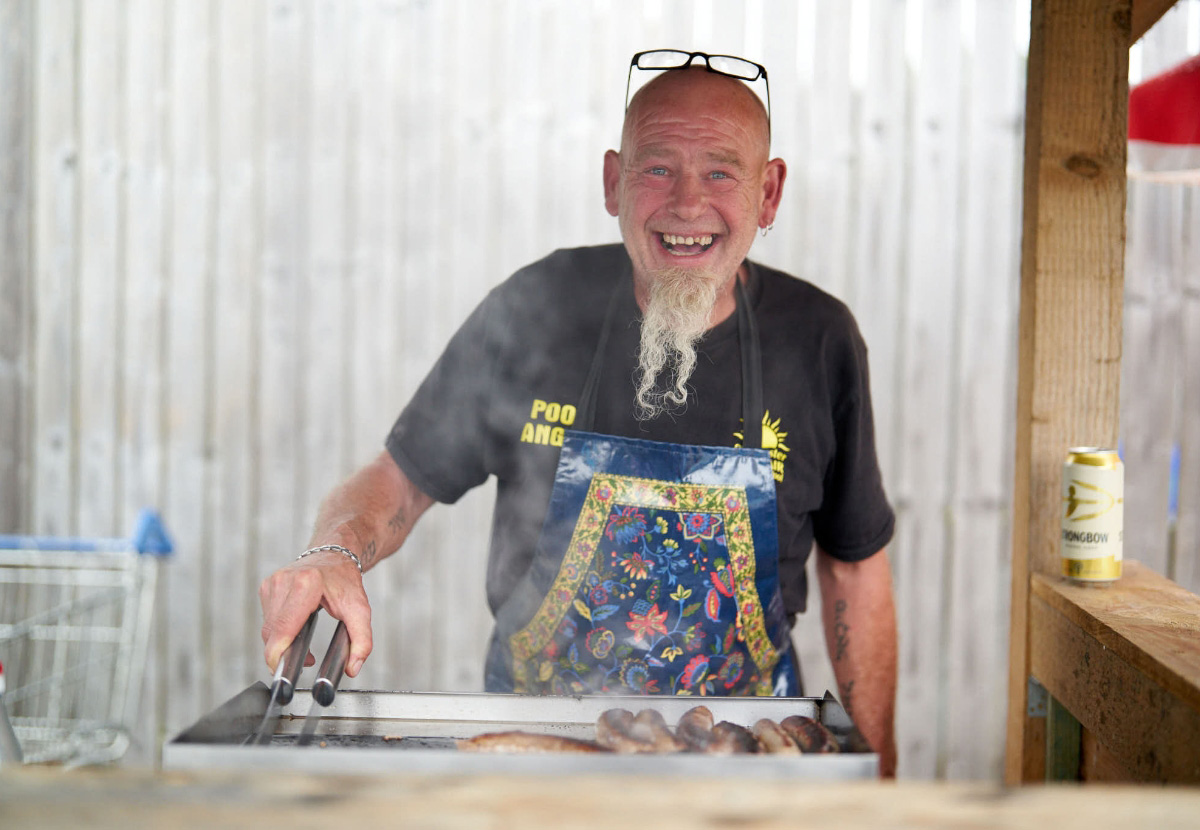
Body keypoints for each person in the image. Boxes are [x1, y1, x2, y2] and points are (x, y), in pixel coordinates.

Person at [259, 51, 898, 776]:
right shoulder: (535, 307)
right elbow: (398, 481)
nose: (688, 203)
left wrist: (878, 777)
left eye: (721, 171)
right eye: (658, 168)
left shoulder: (818, 339)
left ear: (770, 193)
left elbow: (855, 573)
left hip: (746, 758)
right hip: (536, 755)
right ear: (612, 183)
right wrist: (331, 553)